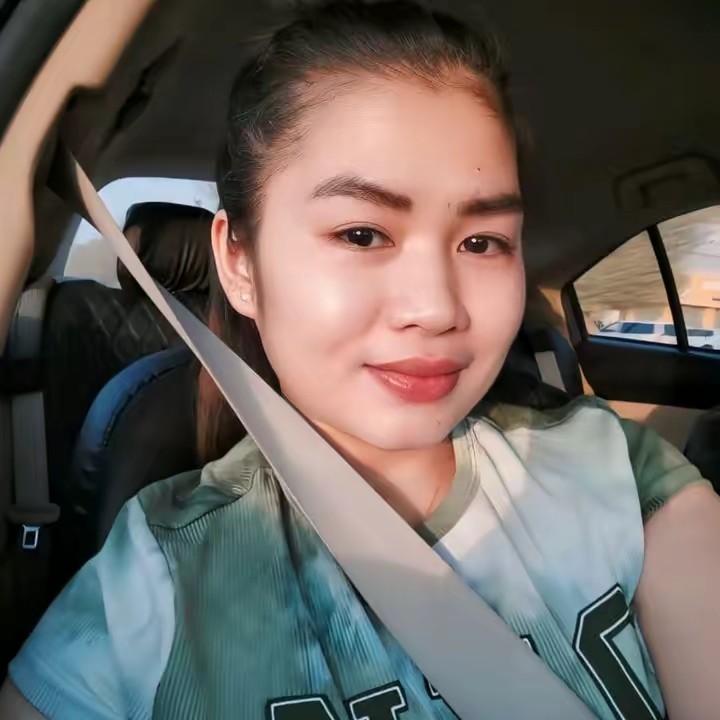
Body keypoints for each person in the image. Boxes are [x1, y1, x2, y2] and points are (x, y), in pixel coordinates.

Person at [2, 1, 719, 718]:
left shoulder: (614, 470)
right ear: (240, 262)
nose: (436, 308)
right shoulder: (154, 584)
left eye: (482, 243)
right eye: (362, 234)